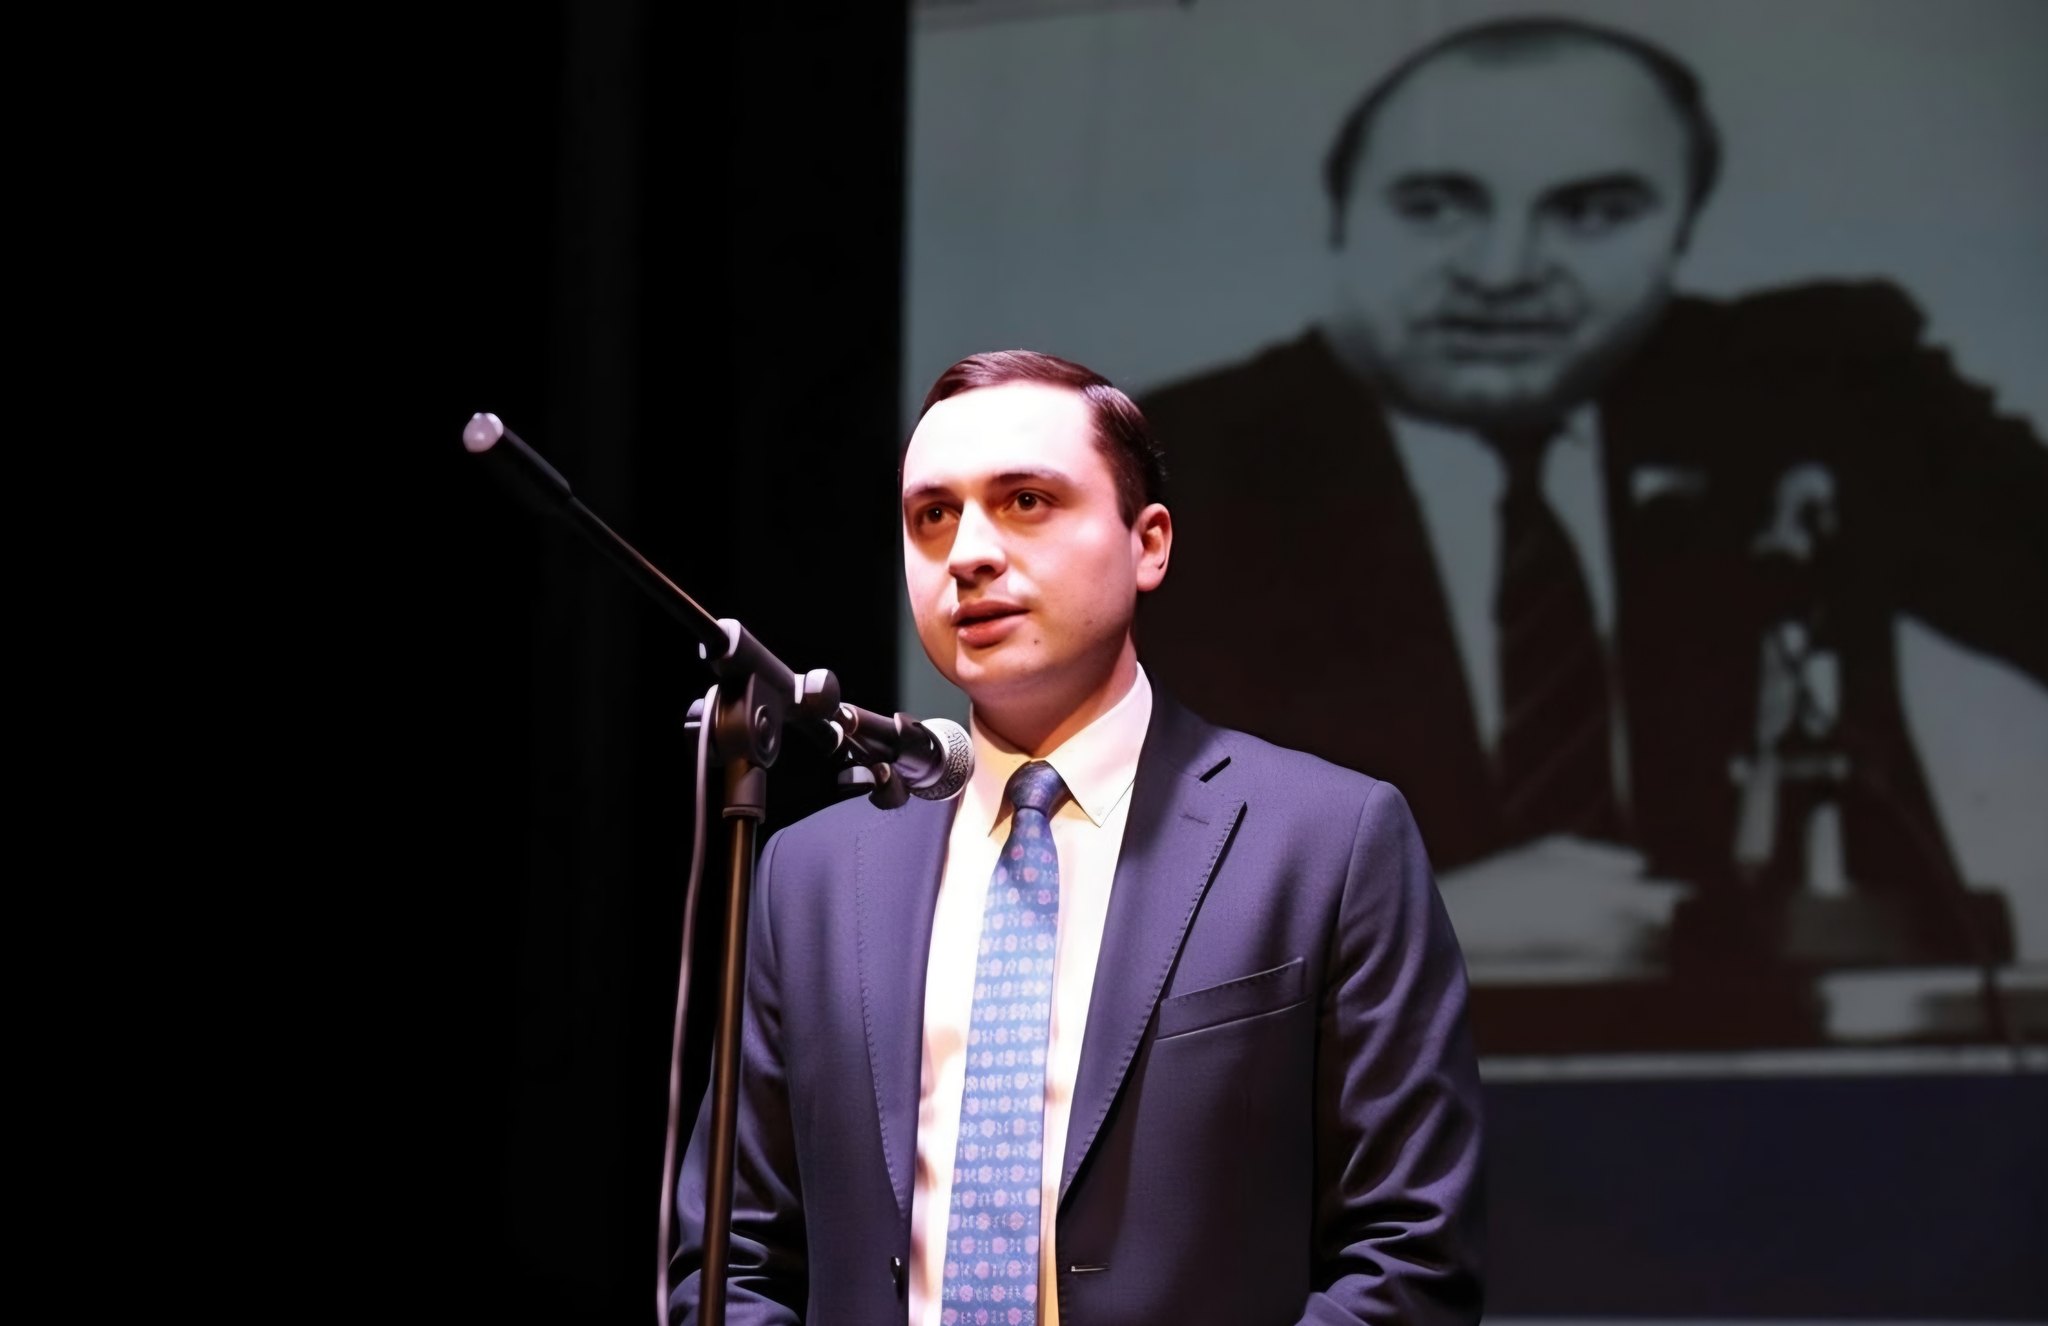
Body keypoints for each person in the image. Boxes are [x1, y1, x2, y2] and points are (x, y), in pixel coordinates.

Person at [1135, 16, 2048, 963]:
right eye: (1437, 206)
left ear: (1681, 231)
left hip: (1807, 1044)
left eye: (1594, 213)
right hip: (1348, 1055)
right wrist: (1408, 921)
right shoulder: (1168, 472)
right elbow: (1081, 891)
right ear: (1341, 217)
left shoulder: (1819, 392)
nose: (1503, 272)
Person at [669, 351, 1485, 1323]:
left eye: (1025, 502)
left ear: (1149, 544)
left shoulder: (1327, 844)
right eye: (932, 516)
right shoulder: (811, 876)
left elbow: (1408, 1257)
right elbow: (733, 1265)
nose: (968, 553)